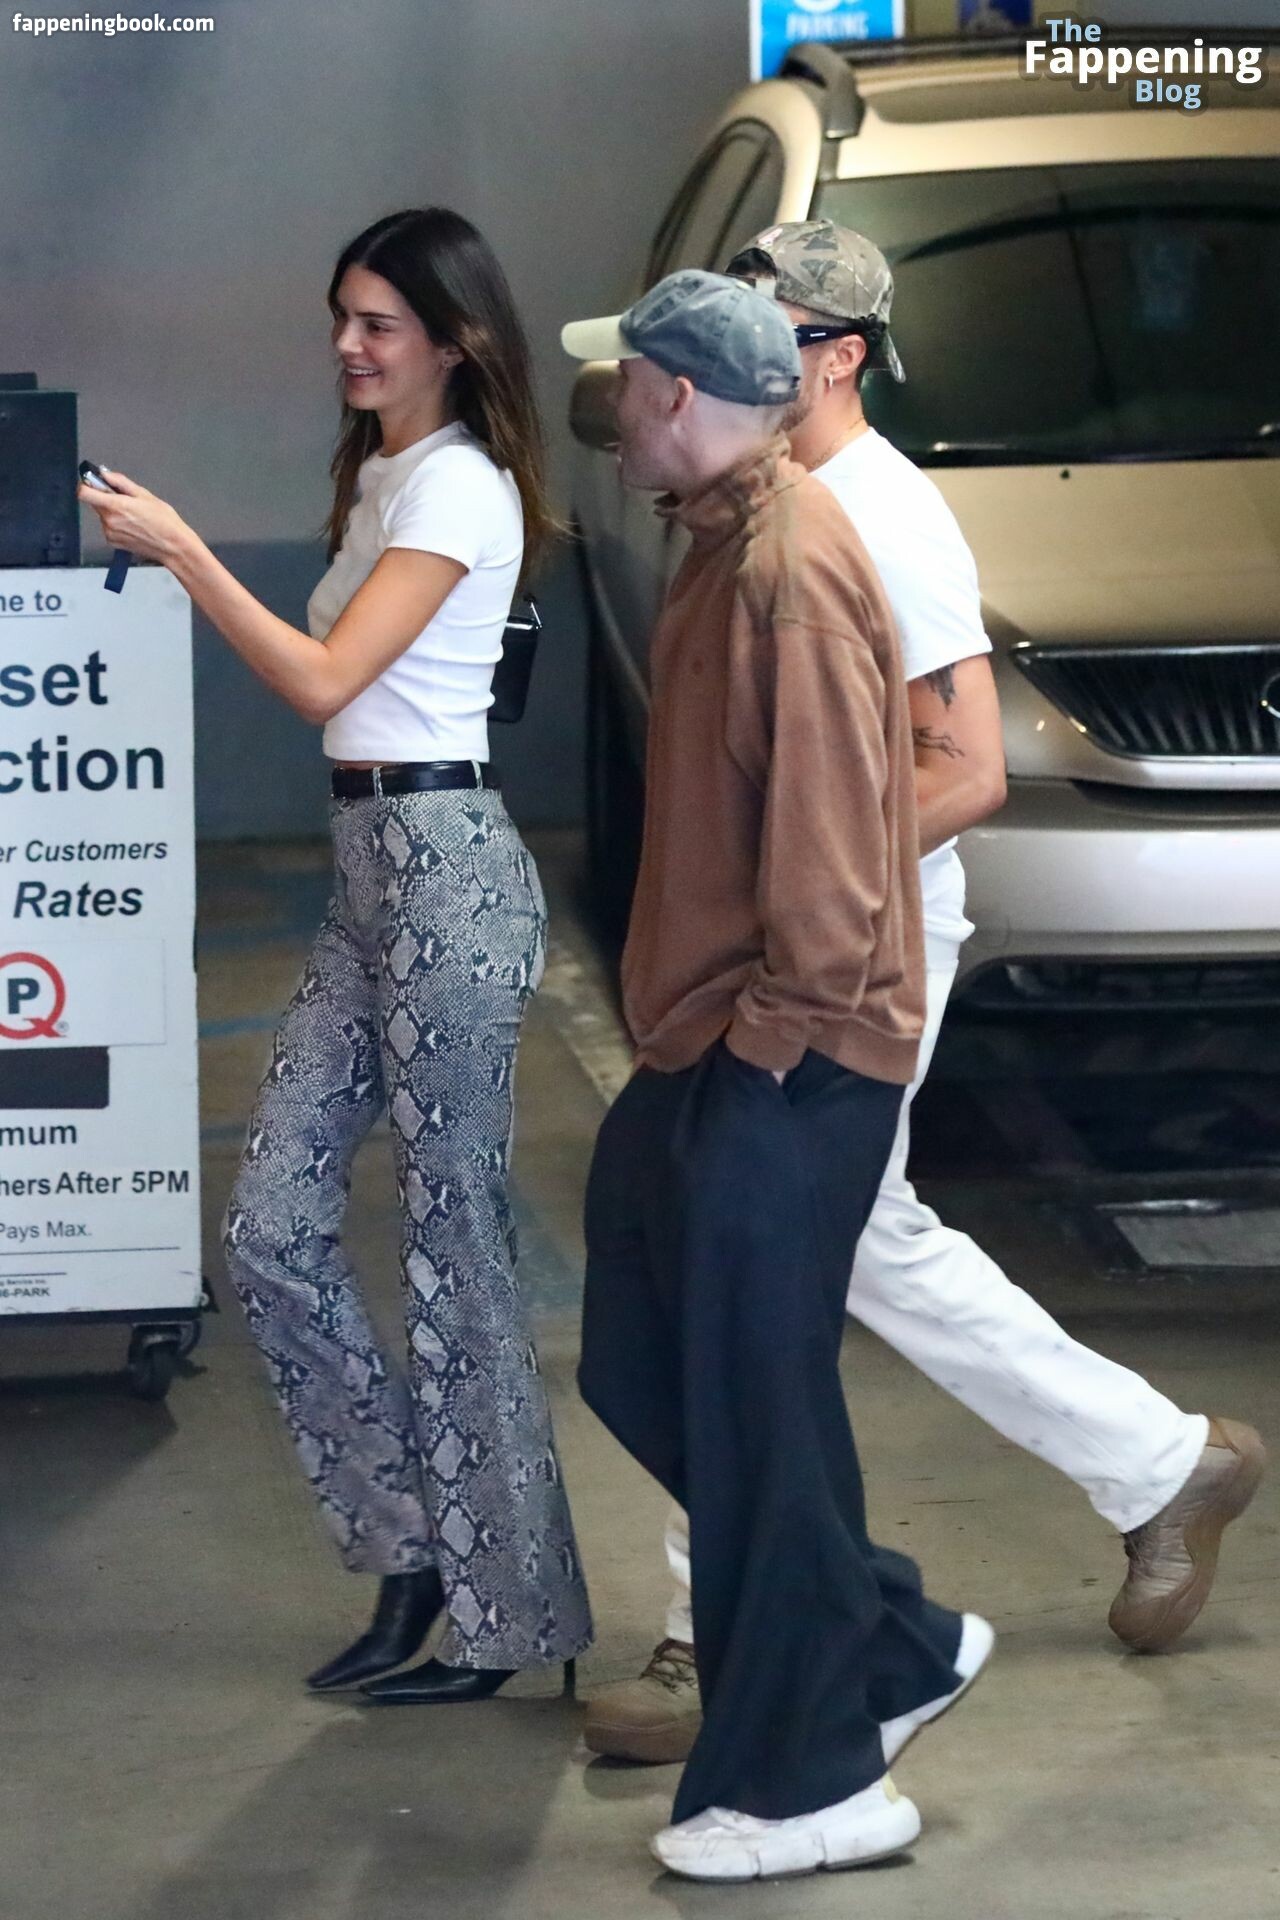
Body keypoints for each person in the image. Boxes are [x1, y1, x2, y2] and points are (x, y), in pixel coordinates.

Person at [582, 219, 1266, 1769]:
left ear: (833, 358)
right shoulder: (752, 504)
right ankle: (1156, 1465)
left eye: (764, 328)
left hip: (851, 955)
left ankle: (726, 1625)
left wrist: (795, 901)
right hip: (791, 955)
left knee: (753, 1268)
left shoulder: (879, 522)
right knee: (836, 1251)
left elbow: (960, 768)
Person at [80, 206, 592, 1704]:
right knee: (270, 1228)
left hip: (447, 871)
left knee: (454, 1247)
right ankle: (413, 1549)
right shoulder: (379, 474)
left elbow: (322, 681)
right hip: (372, 870)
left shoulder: (459, 487)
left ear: (457, 340)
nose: (348, 346)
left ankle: (509, 1621)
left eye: (378, 323)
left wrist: (184, 552)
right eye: (342, 319)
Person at [562, 268, 991, 1883]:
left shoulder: (791, 568)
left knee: (756, 1405)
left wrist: (768, 1047)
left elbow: (829, 853)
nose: (610, 413)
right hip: (714, 1037)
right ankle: (890, 1640)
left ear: (677, 395)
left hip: (792, 1052)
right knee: (644, 1353)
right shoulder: (721, 539)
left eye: (626, 386)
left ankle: (814, 1783)